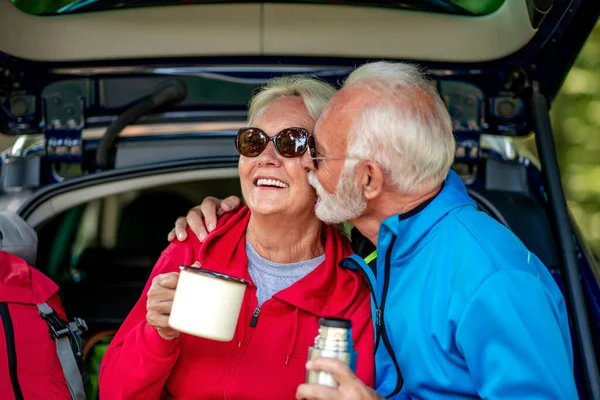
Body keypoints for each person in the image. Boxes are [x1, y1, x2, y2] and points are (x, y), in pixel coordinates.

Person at [169, 61, 578, 399]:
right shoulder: (382, 249)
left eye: (320, 154)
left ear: (367, 181)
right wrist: (225, 220)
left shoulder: (492, 278)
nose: (308, 165)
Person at [98, 76, 375, 400]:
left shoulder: (354, 290)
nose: (266, 158)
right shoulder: (195, 244)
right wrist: (157, 333)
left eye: (291, 142)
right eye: (254, 141)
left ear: (328, 162)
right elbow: (114, 393)